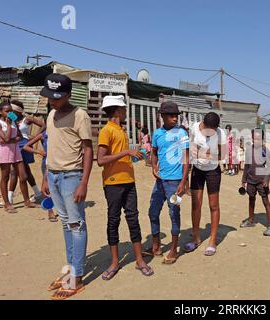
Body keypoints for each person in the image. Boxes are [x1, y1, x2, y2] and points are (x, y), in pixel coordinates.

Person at [40, 74, 93, 300]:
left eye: (58, 97)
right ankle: (71, 270)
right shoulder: (51, 114)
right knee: (65, 224)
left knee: (76, 225)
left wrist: (84, 182)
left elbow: (88, 149)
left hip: (72, 177)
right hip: (53, 175)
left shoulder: (80, 116)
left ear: (69, 95)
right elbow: (51, 146)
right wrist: (45, 176)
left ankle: (76, 277)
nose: (53, 101)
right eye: (50, 97)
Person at [97, 95, 154, 279]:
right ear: (117, 110)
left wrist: (134, 155)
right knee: (113, 221)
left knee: (133, 220)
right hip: (113, 183)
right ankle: (114, 262)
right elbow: (101, 160)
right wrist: (126, 152)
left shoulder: (121, 130)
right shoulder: (106, 131)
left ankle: (139, 260)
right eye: (124, 109)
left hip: (129, 182)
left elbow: (122, 157)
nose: (125, 112)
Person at [148, 101, 190, 264]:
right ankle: (156, 246)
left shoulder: (182, 133)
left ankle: (174, 249)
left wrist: (183, 182)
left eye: (176, 115)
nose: (175, 118)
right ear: (163, 116)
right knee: (152, 212)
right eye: (171, 115)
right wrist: (153, 167)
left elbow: (186, 158)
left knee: (174, 213)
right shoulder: (157, 134)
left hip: (176, 183)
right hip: (160, 182)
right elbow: (153, 152)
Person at [185, 112, 227, 256]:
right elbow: (191, 150)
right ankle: (196, 237)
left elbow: (223, 155)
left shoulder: (221, 134)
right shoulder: (194, 128)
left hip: (213, 172)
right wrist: (203, 154)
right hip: (197, 171)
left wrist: (210, 155)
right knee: (196, 204)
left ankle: (212, 241)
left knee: (213, 205)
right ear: (203, 124)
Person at [0, 101, 37, 213]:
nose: (10, 113)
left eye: (11, 111)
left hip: (16, 151)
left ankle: (27, 201)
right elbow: (5, 138)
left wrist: (10, 140)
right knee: (5, 177)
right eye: (7, 111)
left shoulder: (14, 121)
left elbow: (20, 136)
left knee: (23, 176)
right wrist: (9, 126)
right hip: (4, 152)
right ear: (1, 112)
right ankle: (7, 203)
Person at [6, 100, 46, 205]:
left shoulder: (26, 118)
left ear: (18, 111)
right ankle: (37, 193)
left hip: (24, 147)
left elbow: (43, 125)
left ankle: (10, 199)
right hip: (15, 146)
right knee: (24, 171)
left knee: (16, 172)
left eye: (12, 110)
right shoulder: (13, 118)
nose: (10, 112)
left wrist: (34, 137)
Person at [240, 128, 270, 236]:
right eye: (255, 138)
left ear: (262, 139)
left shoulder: (265, 150)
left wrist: (266, 180)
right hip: (251, 180)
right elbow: (246, 166)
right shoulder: (249, 150)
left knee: (265, 202)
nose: (257, 140)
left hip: (261, 181)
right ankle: (250, 220)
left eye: (259, 138)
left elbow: (269, 166)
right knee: (251, 199)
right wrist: (244, 179)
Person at [22, 130, 58, 222]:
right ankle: (50, 211)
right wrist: (38, 151)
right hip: (46, 163)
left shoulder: (60, 132)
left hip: (60, 162)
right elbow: (25, 146)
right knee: (47, 187)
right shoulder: (43, 135)